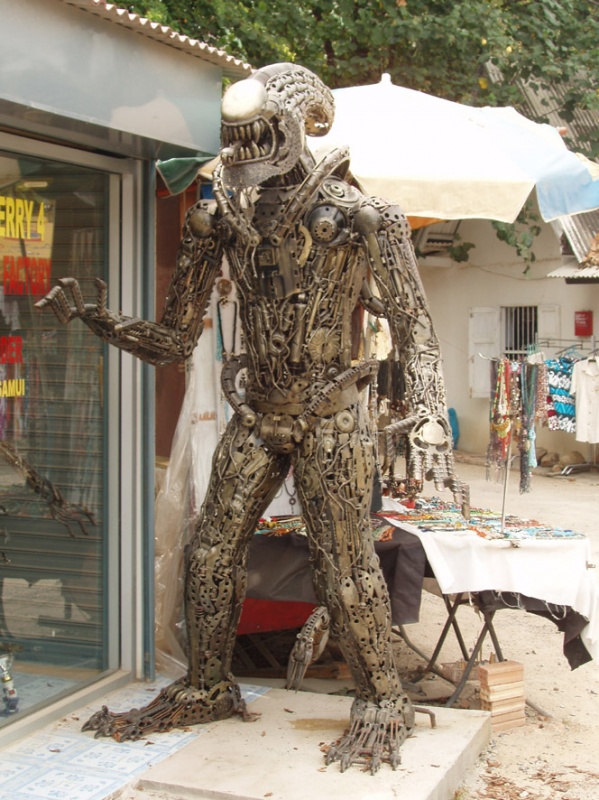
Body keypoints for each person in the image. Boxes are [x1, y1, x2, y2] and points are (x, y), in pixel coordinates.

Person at [37, 62, 466, 773]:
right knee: (209, 551)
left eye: (256, 135)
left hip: (330, 416)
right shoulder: (220, 218)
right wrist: (99, 318)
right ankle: (206, 684)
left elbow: (414, 326)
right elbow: (174, 341)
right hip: (257, 412)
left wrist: (427, 417)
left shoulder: (364, 216)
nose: (242, 152)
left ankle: (382, 699)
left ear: (290, 130)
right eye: (234, 138)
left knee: (344, 563)